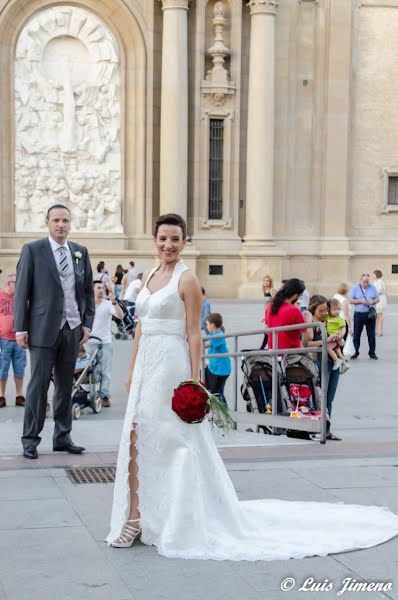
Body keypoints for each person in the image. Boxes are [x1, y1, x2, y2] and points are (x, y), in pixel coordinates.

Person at [106, 213, 398, 560]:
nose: (168, 245)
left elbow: (195, 332)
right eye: (162, 238)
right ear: (154, 241)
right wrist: (131, 367)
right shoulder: (151, 274)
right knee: (137, 435)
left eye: (175, 239)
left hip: (171, 362)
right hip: (145, 366)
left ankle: (177, 517)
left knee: (175, 439)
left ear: (184, 242)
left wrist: (194, 379)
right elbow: (141, 326)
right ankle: (135, 514)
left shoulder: (187, 280)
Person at [14, 204, 95, 460]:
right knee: (37, 386)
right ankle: (30, 440)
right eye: (57, 220)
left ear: (71, 224)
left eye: (66, 220)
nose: (61, 224)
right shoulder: (33, 250)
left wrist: (86, 324)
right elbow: (22, 291)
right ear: (47, 222)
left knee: (64, 386)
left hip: (71, 329)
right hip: (41, 329)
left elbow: (87, 292)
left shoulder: (80, 252)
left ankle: (62, 437)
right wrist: (20, 328)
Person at [304, 295, 342, 440]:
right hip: (318, 362)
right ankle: (315, 429)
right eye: (321, 310)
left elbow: (342, 341)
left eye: (326, 309)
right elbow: (306, 344)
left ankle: (326, 430)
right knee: (320, 397)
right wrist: (325, 341)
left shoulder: (329, 321)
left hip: (333, 362)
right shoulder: (311, 324)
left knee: (329, 399)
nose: (325, 313)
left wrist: (339, 337)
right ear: (313, 310)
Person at [85, 281, 124, 408]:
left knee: (105, 371)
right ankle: (91, 395)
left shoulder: (108, 305)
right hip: (89, 343)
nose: (101, 290)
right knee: (90, 371)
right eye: (98, 288)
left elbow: (120, 316)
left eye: (102, 288)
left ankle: (104, 395)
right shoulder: (87, 304)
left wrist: (114, 302)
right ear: (92, 290)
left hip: (105, 343)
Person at [0, 274, 27, 408]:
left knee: (20, 369)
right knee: (2, 369)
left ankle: (19, 396)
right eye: (16, 283)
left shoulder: (20, 298)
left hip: (18, 340)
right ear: (9, 283)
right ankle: (1, 396)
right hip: (3, 340)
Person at [265, 278, 306, 350]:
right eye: (300, 295)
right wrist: (307, 316)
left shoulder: (269, 307)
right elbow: (308, 336)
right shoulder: (294, 310)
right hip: (291, 355)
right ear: (295, 295)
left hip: (273, 353)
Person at [349, 274, 379, 360]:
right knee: (357, 334)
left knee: (371, 334)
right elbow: (350, 300)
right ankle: (355, 351)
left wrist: (372, 301)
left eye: (367, 282)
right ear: (360, 281)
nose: (366, 284)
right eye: (364, 282)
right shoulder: (355, 288)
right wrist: (360, 301)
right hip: (359, 314)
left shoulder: (372, 287)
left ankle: (372, 353)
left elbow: (378, 299)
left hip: (370, 314)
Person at [204, 312, 231, 406]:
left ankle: (225, 413)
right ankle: (220, 412)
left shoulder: (219, 336)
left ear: (212, 325)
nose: (206, 327)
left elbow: (205, 345)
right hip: (216, 368)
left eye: (207, 324)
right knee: (214, 391)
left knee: (217, 393)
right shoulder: (214, 334)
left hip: (220, 370)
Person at [325, 299, 350, 373]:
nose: (337, 311)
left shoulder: (340, 319)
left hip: (336, 337)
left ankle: (336, 360)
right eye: (334, 309)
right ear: (329, 310)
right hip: (331, 336)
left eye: (338, 309)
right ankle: (345, 363)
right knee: (338, 351)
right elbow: (324, 323)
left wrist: (341, 334)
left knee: (328, 348)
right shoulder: (328, 317)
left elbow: (343, 328)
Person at [372, 270, 387, 336]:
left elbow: (380, 290)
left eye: (374, 274)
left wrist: (373, 293)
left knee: (379, 315)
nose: (373, 276)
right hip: (376, 299)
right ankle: (375, 330)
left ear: (377, 275)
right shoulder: (375, 281)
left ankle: (380, 331)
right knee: (376, 316)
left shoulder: (380, 281)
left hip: (380, 299)